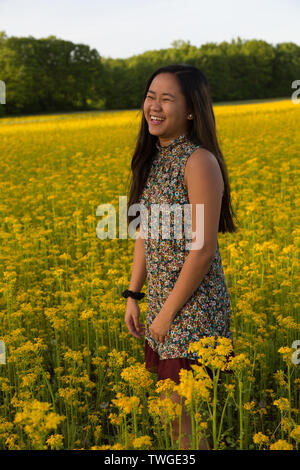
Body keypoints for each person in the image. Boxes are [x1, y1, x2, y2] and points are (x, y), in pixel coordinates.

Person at [124, 64, 238, 449]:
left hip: (192, 312)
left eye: (166, 99)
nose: (154, 106)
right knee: (175, 423)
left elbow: (203, 248)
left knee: (186, 426)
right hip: (162, 307)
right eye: (150, 96)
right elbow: (147, 232)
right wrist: (133, 295)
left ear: (191, 110)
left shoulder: (198, 161)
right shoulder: (154, 158)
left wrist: (167, 314)